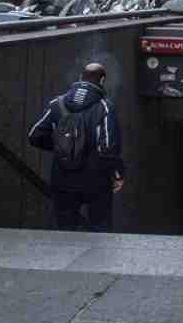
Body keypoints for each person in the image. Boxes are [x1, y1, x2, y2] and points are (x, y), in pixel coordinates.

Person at [27, 62, 125, 231]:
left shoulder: (57, 104)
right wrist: (117, 174)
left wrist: (61, 148)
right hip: (96, 179)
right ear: (102, 81)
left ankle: (65, 256)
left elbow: (34, 136)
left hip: (62, 176)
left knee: (65, 229)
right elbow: (108, 147)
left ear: (80, 78)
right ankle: (98, 258)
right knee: (100, 227)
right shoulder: (105, 107)